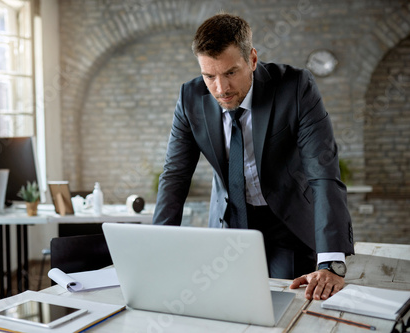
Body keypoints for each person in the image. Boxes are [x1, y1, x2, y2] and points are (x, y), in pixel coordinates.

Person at [152, 13, 354, 301]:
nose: (221, 89)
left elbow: (323, 173)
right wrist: (157, 248)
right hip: (230, 222)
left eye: (231, 72)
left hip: (287, 222)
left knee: (287, 304)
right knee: (229, 304)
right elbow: (175, 174)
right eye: (209, 76)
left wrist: (331, 262)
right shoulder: (190, 97)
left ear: (253, 60)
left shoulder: (295, 87)